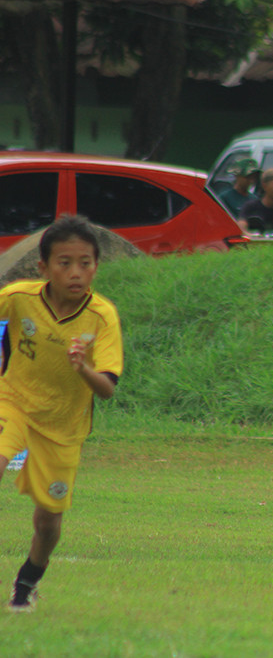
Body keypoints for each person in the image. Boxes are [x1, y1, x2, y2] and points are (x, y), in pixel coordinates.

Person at [0, 216, 124, 612]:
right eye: (64, 262)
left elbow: (106, 390)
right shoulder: (19, 297)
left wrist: (83, 368)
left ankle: (27, 581)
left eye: (85, 263)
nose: (76, 273)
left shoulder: (102, 317)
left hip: (63, 427)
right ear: (43, 268)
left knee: (49, 522)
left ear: (96, 267)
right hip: (13, 402)